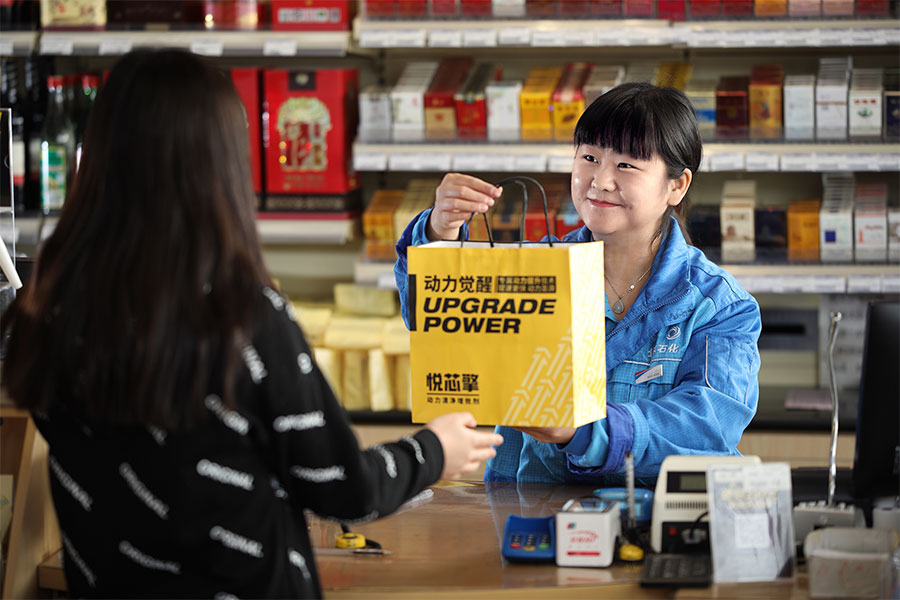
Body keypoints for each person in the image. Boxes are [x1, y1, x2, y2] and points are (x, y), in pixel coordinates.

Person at [0, 49, 503, 598]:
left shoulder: (49, 307)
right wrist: (434, 450)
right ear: (219, 164)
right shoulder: (242, 317)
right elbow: (343, 488)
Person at [394, 82, 761, 486]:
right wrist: (440, 234)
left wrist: (585, 432)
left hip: (653, 513)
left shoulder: (719, 305)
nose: (600, 180)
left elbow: (709, 423)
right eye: (589, 157)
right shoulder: (532, 272)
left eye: (626, 165)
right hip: (529, 509)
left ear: (676, 185)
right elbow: (439, 326)